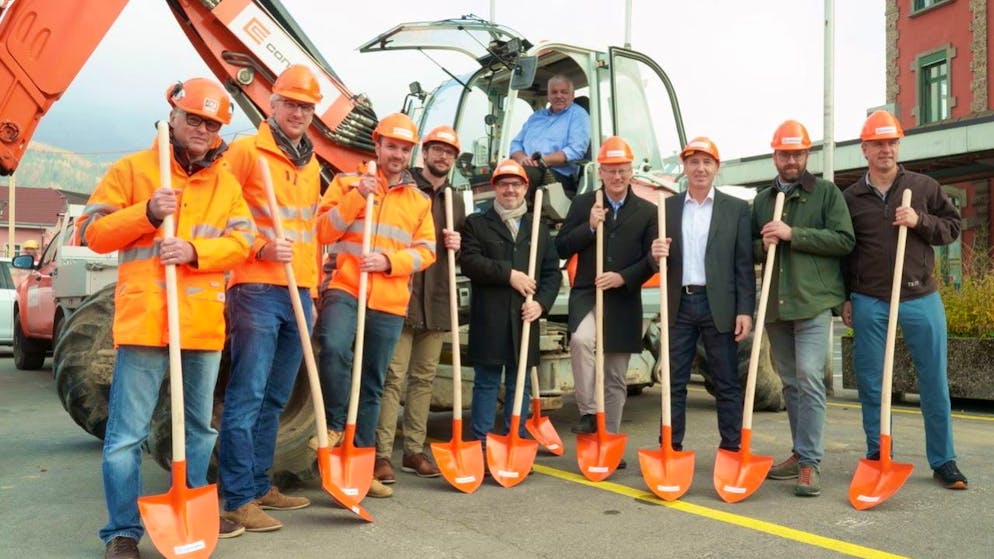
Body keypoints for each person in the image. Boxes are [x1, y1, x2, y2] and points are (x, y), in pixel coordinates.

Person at [77, 78, 254, 559]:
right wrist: (148, 213)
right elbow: (91, 233)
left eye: (212, 123)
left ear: (220, 131)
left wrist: (197, 249)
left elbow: (244, 243)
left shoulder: (226, 183)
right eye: (194, 118)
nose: (202, 129)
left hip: (200, 328)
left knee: (200, 428)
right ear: (172, 117)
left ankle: (189, 509)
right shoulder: (134, 170)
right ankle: (122, 532)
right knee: (125, 437)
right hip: (145, 323)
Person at [217, 65, 322, 532]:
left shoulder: (311, 162)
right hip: (256, 287)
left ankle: (259, 485)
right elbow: (213, 210)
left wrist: (313, 288)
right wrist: (258, 247)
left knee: (275, 398)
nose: (299, 112)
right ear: (272, 104)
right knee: (248, 395)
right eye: (292, 104)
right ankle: (237, 497)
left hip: (299, 290)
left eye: (307, 107)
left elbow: (310, 232)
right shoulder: (245, 152)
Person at [841, 110, 968, 490]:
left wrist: (919, 221)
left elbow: (953, 228)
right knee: (872, 382)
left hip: (919, 296)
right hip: (869, 299)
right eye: (878, 143)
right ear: (865, 149)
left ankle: (944, 460)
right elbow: (846, 251)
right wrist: (846, 297)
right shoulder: (851, 197)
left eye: (892, 142)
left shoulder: (924, 187)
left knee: (933, 381)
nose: (886, 149)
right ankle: (878, 453)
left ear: (899, 145)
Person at [314, 113, 437, 499]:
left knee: (372, 383)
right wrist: (356, 198)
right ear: (377, 144)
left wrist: (389, 263)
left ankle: (361, 464)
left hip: (388, 299)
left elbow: (427, 252)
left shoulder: (418, 201)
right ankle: (336, 422)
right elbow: (322, 230)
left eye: (404, 148)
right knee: (333, 346)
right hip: (346, 287)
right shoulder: (347, 183)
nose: (398, 154)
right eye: (392, 146)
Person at [752, 120, 855, 497]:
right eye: (784, 153)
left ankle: (810, 462)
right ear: (775, 155)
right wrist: (762, 243)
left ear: (806, 155)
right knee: (791, 384)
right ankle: (799, 453)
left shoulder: (827, 194)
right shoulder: (763, 200)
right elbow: (750, 249)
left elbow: (844, 240)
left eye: (796, 153)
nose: (790, 160)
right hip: (777, 305)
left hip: (812, 302)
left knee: (809, 379)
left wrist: (793, 234)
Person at [556, 136, 657, 469]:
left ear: (631, 172)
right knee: (581, 339)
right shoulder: (585, 204)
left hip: (623, 297)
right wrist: (589, 226)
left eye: (623, 171)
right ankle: (588, 413)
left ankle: (609, 441)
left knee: (614, 376)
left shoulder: (647, 211)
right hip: (587, 291)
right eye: (611, 171)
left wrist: (623, 277)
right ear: (601, 172)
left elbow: (651, 260)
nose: (617, 177)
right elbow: (561, 247)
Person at [373, 126, 465, 484]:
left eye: (449, 153)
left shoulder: (457, 200)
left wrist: (461, 241)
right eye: (436, 150)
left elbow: (466, 254)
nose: (442, 157)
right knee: (392, 377)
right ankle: (382, 455)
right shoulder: (405, 189)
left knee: (424, 379)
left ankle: (413, 449)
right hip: (403, 297)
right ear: (423, 153)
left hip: (439, 299)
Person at [652, 136, 754, 454]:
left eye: (706, 162)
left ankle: (732, 447)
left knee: (726, 381)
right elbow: (653, 256)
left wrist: (745, 310)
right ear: (684, 168)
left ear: (716, 168)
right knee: (674, 382)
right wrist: (654, 254)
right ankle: (670, 446)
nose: (700, 168)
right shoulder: (666, 207)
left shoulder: (736, 210)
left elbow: (743, 264)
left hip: (718, 305)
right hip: (679, 304)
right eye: (693, 162)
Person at [459, 159, 560, 446]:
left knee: (521, 384)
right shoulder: (477, 223)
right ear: (495, 188)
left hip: (524, 318)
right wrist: (510, 275)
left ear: (525, 188)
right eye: (504, 184)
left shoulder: (537, 227)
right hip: (489, 318)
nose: (510, 190)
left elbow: (552, 272)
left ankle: (516, 439)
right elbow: (470, 262)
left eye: (516, 184)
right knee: (487, 382)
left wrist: (541, 304)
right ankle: (482, 443)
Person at [509, 75, 590, 197]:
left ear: (572, 95)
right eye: (554, 92)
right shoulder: (536, 117)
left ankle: (514, 215)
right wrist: (522, 159)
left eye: (564, 92)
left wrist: (541, 161)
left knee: (516, 177)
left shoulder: (578, 114)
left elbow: (575, 150)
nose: (559, 96)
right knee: (496, 174)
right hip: (526, 166)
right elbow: (516, 143)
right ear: (548, 96)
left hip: (557, 174)